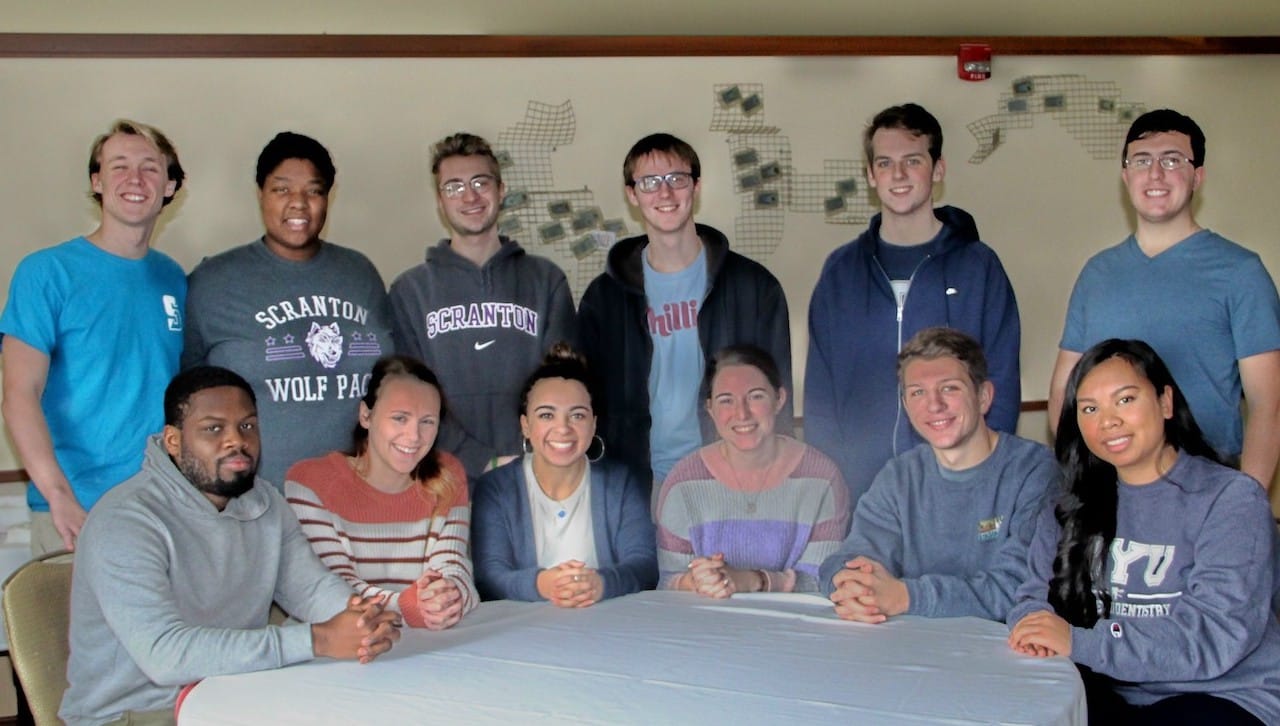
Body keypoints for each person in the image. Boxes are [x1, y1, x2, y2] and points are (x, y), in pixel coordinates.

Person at [60, 366, 402, 726]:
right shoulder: (126, 521)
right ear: (174, 441)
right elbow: (165, 656)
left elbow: (310, 588)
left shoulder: (264, 501)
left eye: (247, 426)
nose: (235, 441)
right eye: (213, 429)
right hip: (138, 713)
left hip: (237, 694)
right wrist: (318, 639)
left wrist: (363, 617)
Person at [1009, 339, 1280, 725]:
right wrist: (1033, 626)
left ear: (1166, 402)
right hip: (1108, 686)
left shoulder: (1232, 500)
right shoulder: (1068, 501)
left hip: (1224, 693)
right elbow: (1031, 594)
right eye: (1090, 408)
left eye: (1125, 400)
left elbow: (1216, 634)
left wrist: (1080, 641)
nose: (1108, 420)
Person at [1048, 109, 1280, 488]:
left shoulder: (1240, 272)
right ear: (1126, 176)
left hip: (1209, 484)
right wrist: (1082, 477)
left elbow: (1269, 404)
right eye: (1142, 161)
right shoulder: (1097, 274)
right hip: (1113, 488)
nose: (1155, 174)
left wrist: (1247, 503)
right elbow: (1064, 390)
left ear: (1197, 177)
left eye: (1172, 160)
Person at [805, 103, 1021, 510]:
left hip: (957, 490)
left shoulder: (979, 267)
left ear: (938, 169)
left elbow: (1001, 386)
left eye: (913, 160)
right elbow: (820, 397)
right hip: (861, 496)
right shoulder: (840, 272)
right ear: (871, 175)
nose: (898, 175)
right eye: (885, 163)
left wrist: (980, 475)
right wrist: (833, 484)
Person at [1, 119, 186, 554]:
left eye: (150, 168)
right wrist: (59, 496)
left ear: (170, 186)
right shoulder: (47, 273)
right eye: (118, 166)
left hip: (161, 510)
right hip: (76, 512)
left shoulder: (173, 278)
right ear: (97, 181)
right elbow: (18, 394)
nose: (134, 179)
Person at [578, 132, 792, 493]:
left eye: (677, 179)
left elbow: (778, 391)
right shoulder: (604, 298)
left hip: (734, 475)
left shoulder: (754, 287)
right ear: (632, 194)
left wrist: (776, 478)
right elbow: (588, 399)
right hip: (639, 482)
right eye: (649, 183)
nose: (665, 194)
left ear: (696, 186)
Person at [183, 131, 394, 489]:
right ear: (261, 194)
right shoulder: (214, 282)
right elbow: (186, 399)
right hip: (258, 503)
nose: (298, 203)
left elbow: (390, 382)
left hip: (359, 498)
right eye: (281, 189)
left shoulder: (360, 274)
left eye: (313, 190)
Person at [820, 327, 1057, 622]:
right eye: (918, 392)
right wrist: (851, 584)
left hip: (1005, 650)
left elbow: (1018, 587)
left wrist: (906, 596)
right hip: (909, 646)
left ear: (984, 397)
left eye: (949, 388)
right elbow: (850, 557)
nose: (934, 405)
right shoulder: (899, 477)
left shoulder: (1034, 470)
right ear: (905, 406)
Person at [389, 132, 575, 477]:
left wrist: (533, 455)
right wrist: (478, 459)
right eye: (454, 187)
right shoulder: (409, 292)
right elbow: (408, 398)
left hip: (533, 474)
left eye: (480, 182)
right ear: (440, 201)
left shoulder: (547, 281)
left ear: (501, 190)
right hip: (442, 479)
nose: (469, 196)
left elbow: (565, 386)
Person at [286, 355, 478, 629]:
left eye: (427, 422)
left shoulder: (448, 474)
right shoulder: (309, 482)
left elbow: (454, 564)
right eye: (400, 418)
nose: (414, 436)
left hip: (421, 651)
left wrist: (450, 595)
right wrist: (406, 606)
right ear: (366, 416)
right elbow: (329, 590)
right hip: (333, 654)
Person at [655, 345, 848, 596]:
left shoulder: (822, 478)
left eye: (756, 396)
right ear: (710, 409)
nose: (742, 413)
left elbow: (823, 582)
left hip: (795, 628)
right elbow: (667, 583)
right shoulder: (683, 482)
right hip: (705, 625)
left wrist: (754, 580)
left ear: (779, 399)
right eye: (726, 400)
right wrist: (694, 582)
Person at [471, 344, 657, 605]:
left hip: (609, 631)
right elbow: (489, 576)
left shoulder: (622, 483)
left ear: (594, 423)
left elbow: (645, 567)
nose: (563, 428)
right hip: (521, 634)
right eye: (547, 415)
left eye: (577, 415)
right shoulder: (495, 487)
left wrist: (600, 584)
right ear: (525, 425)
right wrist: (544, 585)